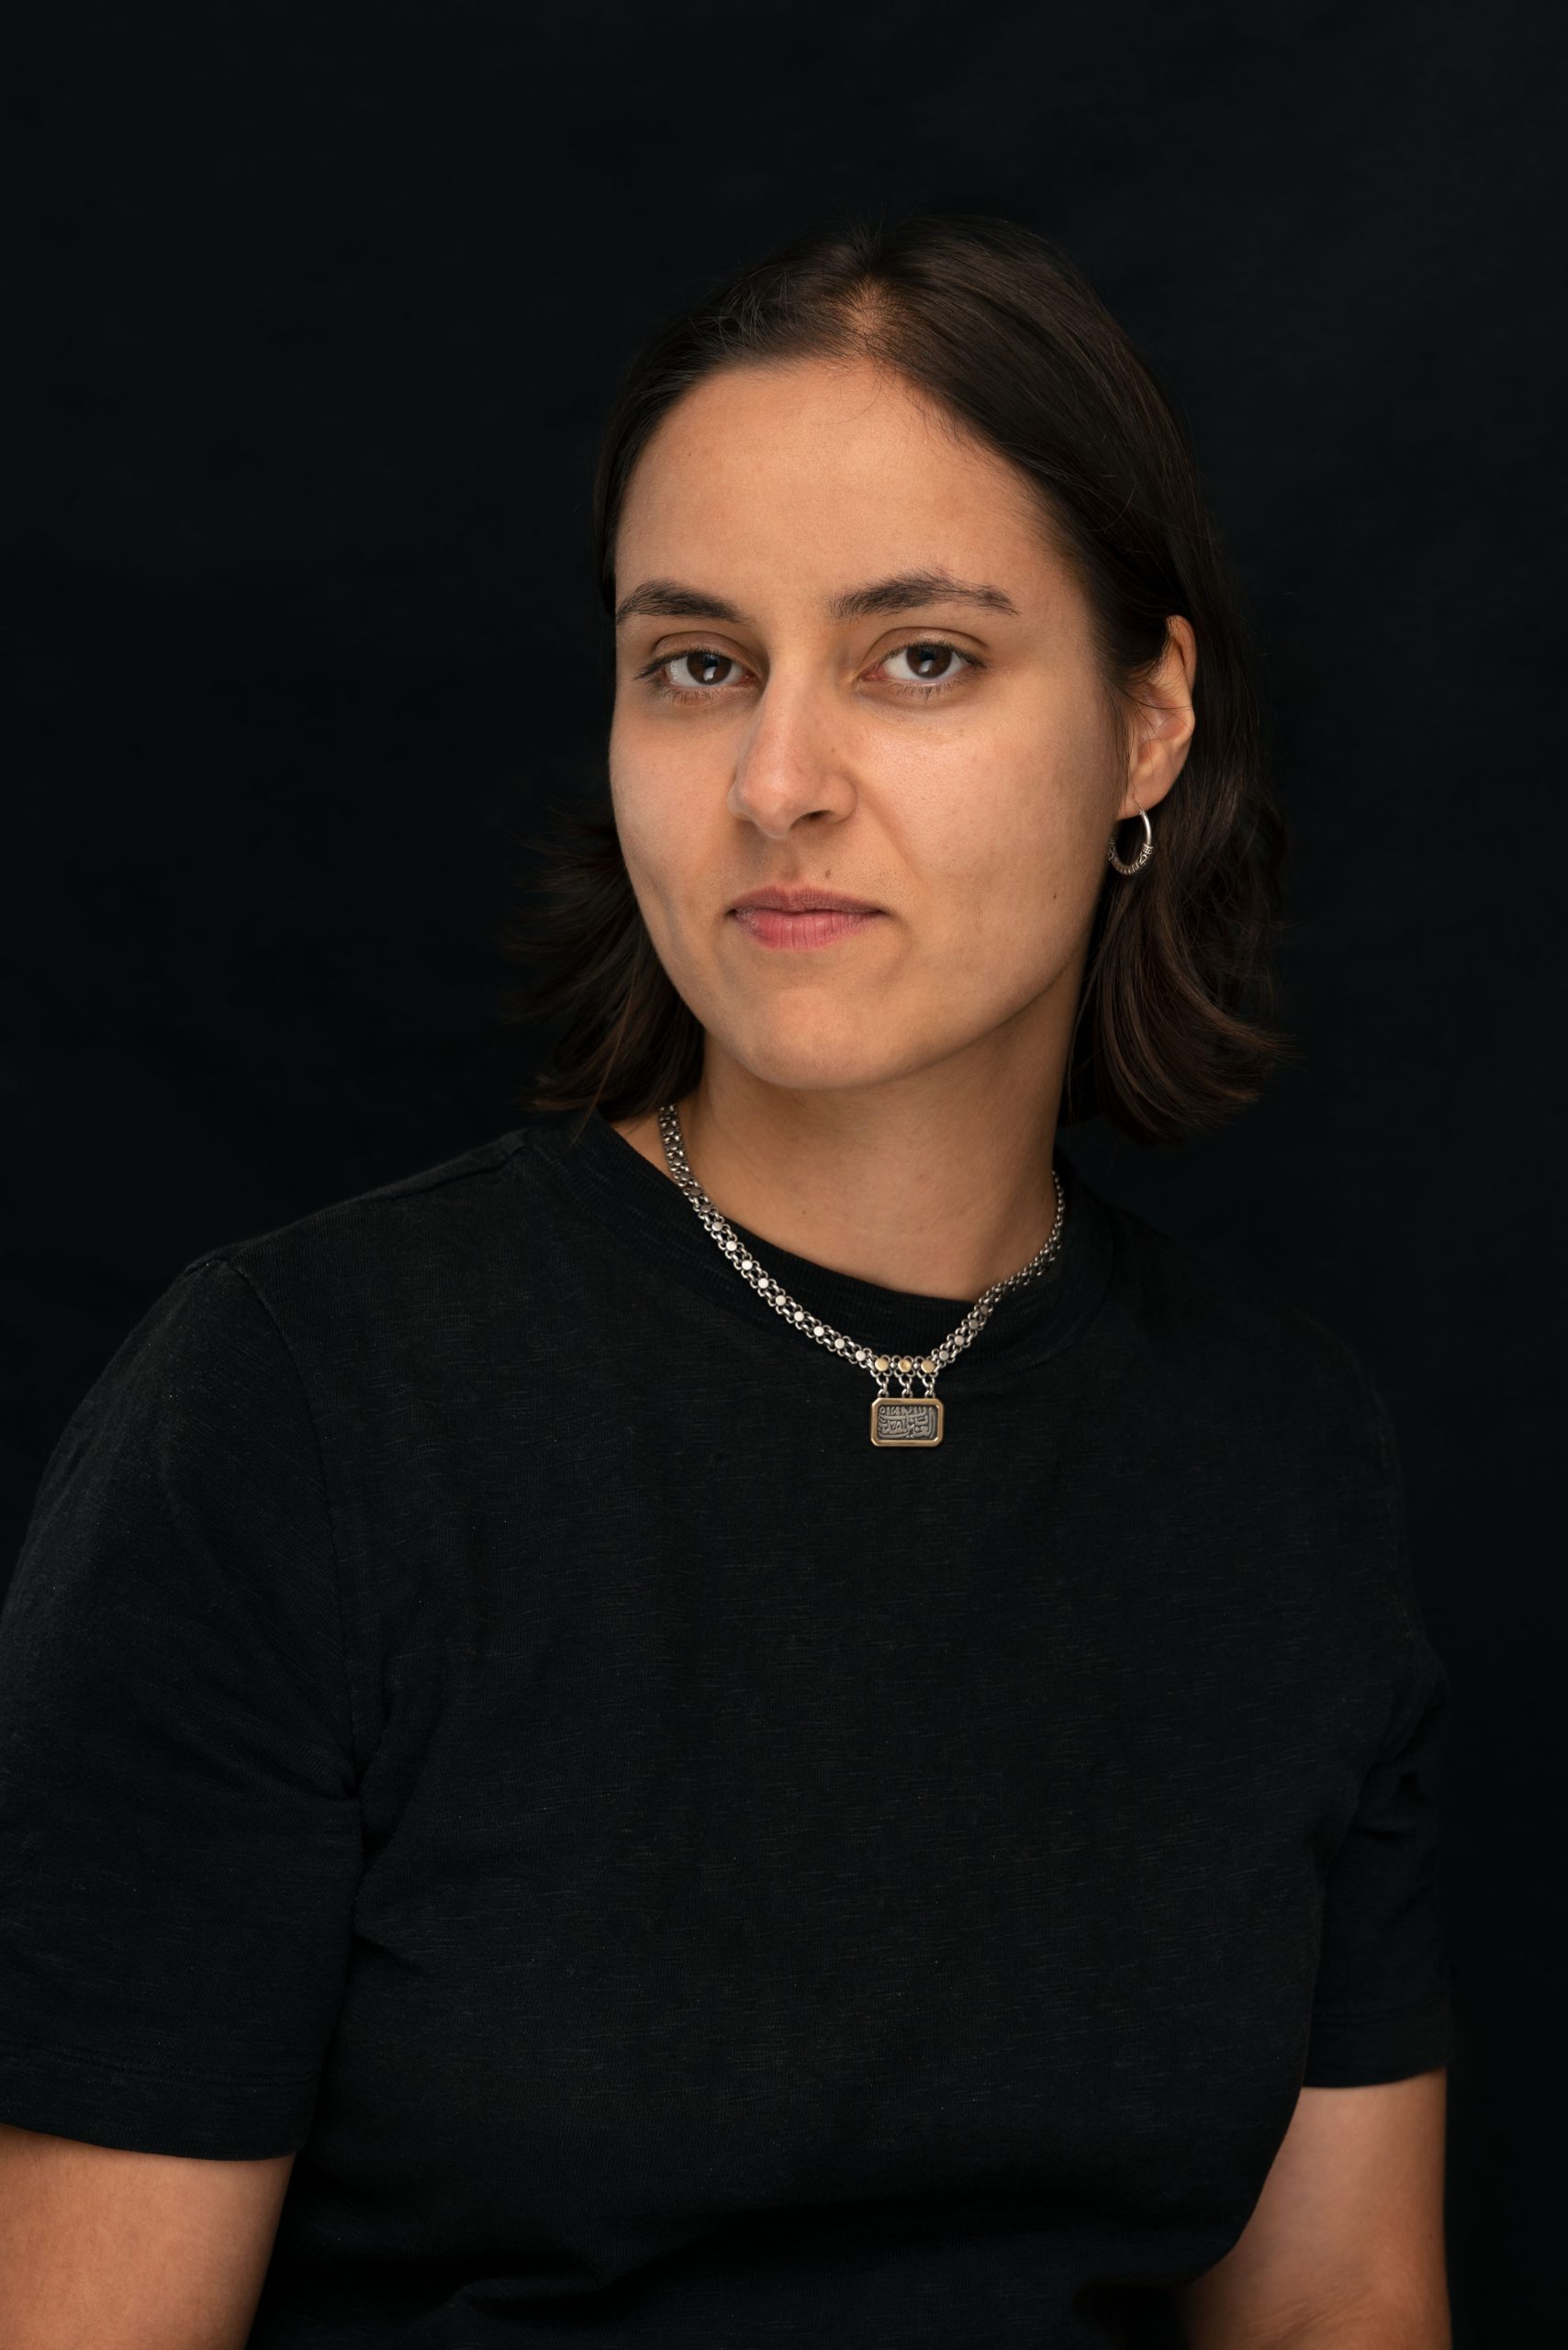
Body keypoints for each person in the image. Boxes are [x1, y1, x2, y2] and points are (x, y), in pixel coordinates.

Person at [0, 213, 1454, 2348]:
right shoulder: (301, 1407)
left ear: (1148, 722)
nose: (776, 784)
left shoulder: (1276, 1455)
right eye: (696, 663)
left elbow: (1334, 2307)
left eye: (917, 657)